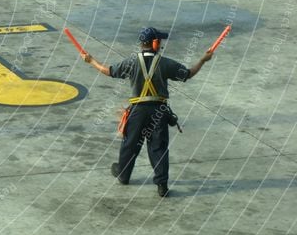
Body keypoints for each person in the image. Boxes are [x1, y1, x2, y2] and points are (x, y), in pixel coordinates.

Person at [80, 27, 212, 197]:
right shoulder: (165, 63)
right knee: (158, 147)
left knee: (130, 143)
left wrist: (90, 60)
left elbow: (109, 71)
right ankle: (162, 184)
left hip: (138, 111)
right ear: (155, 42)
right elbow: (188, 74)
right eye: (160, 41)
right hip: (159, 111)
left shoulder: (131, 62)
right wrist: (203, 59)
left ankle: (124, 174)